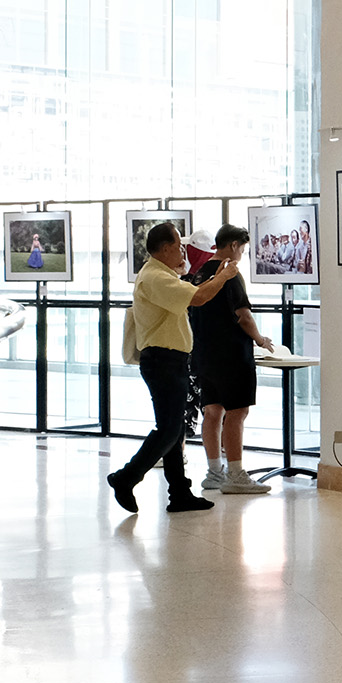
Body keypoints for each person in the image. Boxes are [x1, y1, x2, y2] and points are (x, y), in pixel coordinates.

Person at [109, 220, 239, 515]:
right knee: (169, 429)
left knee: (175, 430)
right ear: (166, 248)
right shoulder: (156, 277)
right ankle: (125, 477)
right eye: (179, 245)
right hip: (162, 360)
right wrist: (226, 276)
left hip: (170, 360)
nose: (183, 250)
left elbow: (195, 294)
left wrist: (216, 276)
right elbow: (200, 297)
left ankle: (179, 492)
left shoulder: (163, 274)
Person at [189, 225, 279, 495]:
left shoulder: (200, 274)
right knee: (237, 412)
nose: (242, 254)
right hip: (231, 354)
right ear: (233, 245)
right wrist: (260, 339)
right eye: (243, 248)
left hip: (205, 352)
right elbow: (243, 316)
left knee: (212, 410)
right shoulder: (230, 274)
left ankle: (214, 471)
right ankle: (236, 473)